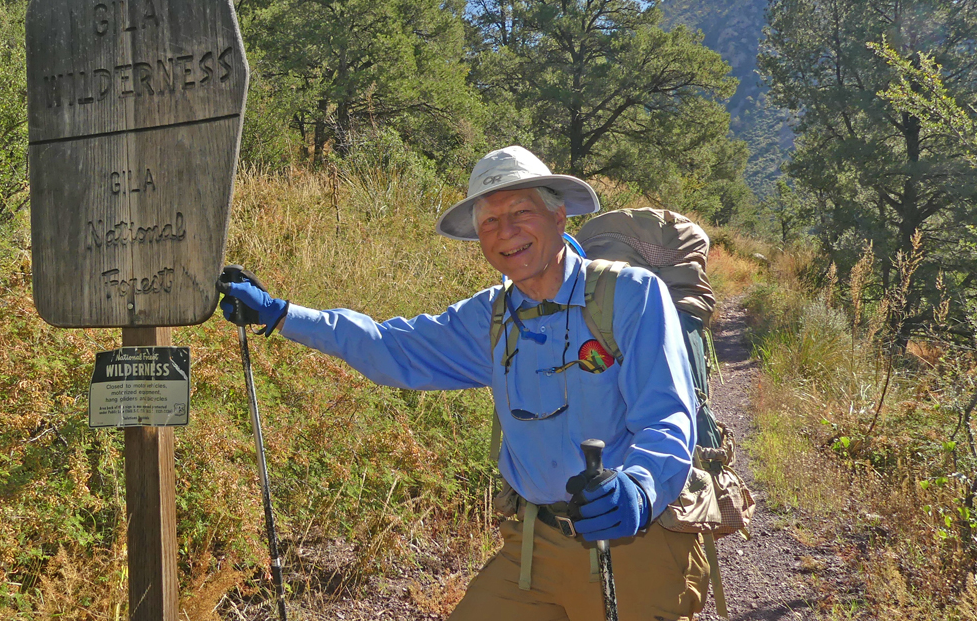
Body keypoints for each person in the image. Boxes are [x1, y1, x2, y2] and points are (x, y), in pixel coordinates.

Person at [219, 146, 708, 621]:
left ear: (560, 217)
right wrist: (284, 315)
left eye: (521, 212)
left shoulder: (629, 294)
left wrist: (640, 490)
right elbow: (393, 347)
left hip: (632, 546)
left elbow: (667, 416)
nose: (506, 232)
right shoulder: (491, 317)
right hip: (534, 546)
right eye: (490, 222)